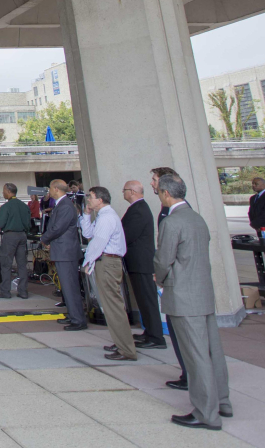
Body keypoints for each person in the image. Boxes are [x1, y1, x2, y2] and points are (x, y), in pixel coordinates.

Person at [154, 173, 232, 430]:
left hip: (184, 296)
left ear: (166, 194)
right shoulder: (197, 219)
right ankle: (222, 401)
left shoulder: (172, 222)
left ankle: (205, 412)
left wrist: (161, 278)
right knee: (212, 352)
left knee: (195, 356)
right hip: (202, 292)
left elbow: (164, 259)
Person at [79, 186, 135, 361]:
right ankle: (121, 343)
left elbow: (97, 244)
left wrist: (87, 262)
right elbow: (88, 234)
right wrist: (86, 215)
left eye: (91, 197)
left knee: (113, 307)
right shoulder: (103, 216)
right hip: (105, 261)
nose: (89, 200)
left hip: (107, 262)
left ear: (100, 200)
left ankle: (126, 348)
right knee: (110, 306)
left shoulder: (107, 218)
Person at [151, 165, 189, 389]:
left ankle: (190, 374)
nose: (152, 185)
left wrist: (161, 276)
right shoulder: (171, 212)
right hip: (176, 280)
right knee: (177, 332)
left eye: (155, 180)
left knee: (182, 332)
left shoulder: (175, 215)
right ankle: (187, 371)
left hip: (178, 282)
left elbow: (168, 253)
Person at [120, 181, 165, 349]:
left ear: (132, 192)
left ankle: (156, 337)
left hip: (141, 263)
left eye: (124, 190)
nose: (123, 193)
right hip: (137, 262)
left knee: (148, 300)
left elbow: (128, 235)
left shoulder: (138, 210)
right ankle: (150, 333)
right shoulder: (137, 208)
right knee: (143, 300)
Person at [39, 179, 85, 331]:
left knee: (70, 286)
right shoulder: (61, 204)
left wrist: (44, 238)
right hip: (62, 251)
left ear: (57, 189)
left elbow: (58, 227)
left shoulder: (65, 206)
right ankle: (72, 315)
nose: (49, 192)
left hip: (66, 252)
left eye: (50, 188)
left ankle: (78, 319)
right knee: (66, 286)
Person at [0, 184, 31, 299]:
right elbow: (28, 224)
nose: (3, 193)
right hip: (22, 235)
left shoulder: (6, 207)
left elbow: (1, 224)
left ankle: (5, 291)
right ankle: (23, 291)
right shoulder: (24, 206)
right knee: (22, 265)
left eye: (4, 190)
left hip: (10, 235)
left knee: (6, 264)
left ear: (9, 191)